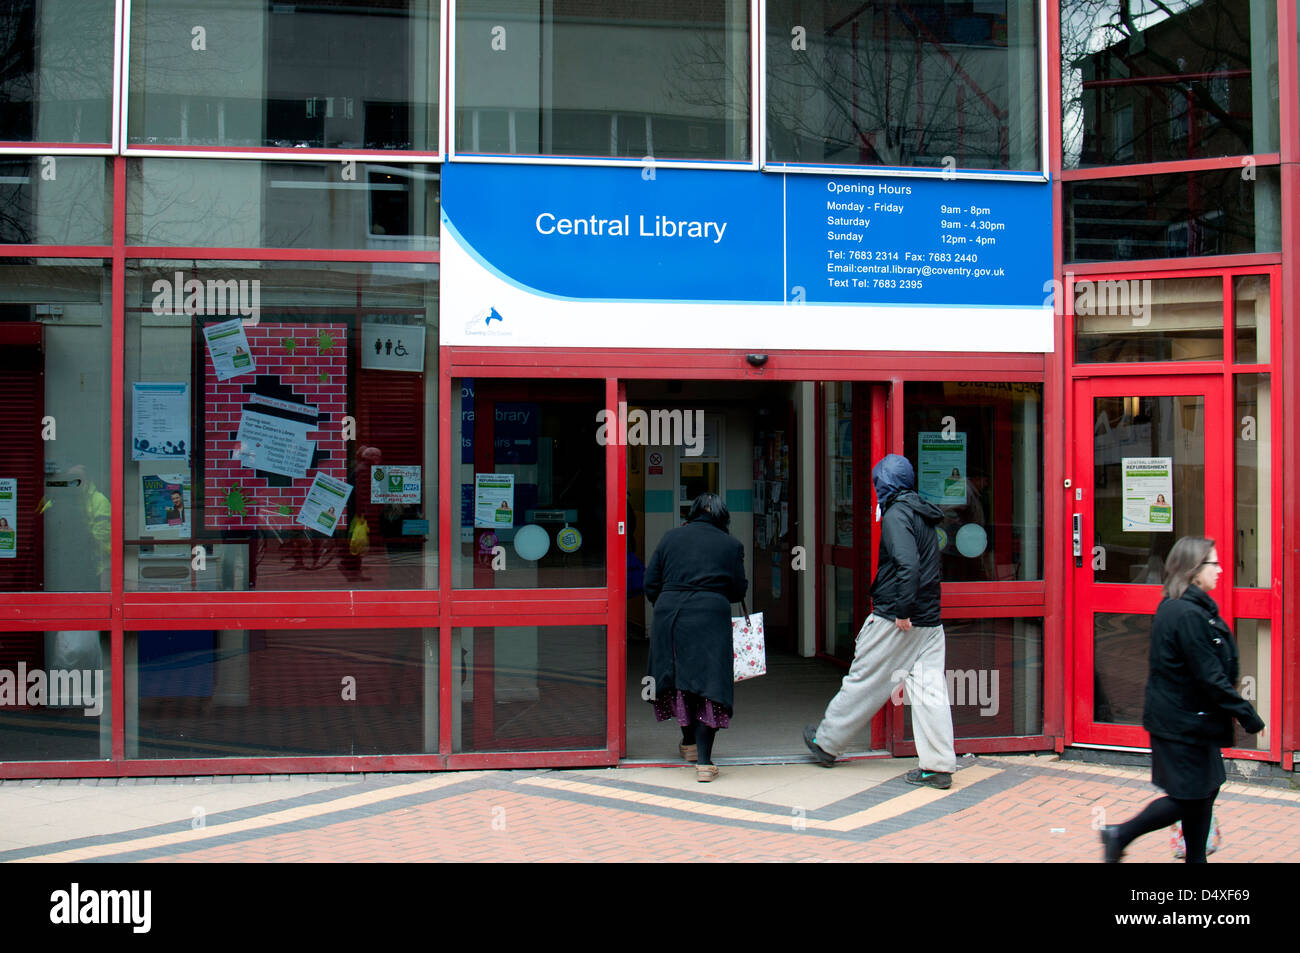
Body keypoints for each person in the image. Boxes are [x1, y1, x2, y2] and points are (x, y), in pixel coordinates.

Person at [1100, 536, 1263, 863]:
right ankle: (1120, 834)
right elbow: (1209, 675)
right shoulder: (1184, 613)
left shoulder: (1194, 607)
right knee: (1188, 797)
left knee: (1206, 791)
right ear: (1192, 570)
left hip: (1194, 721)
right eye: (1213, 563)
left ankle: (1195, 858)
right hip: (1180, 724)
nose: (1220, 570)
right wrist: (1246, 713)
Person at [804, 454, 957, 788]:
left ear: (884, 485)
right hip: (930, 621)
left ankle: (827, 743)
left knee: (864, 678)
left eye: (877, 484)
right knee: (931, 692)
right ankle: (938, 766)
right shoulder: (924, 513)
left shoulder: (896, 514)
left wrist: (902, 610)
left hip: (897, 618)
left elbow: (908, 565)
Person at [644, 492, 747, 782]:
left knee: (679, 681)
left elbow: (651, 582)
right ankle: (704, 761)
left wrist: (667, 603)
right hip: (709, 618)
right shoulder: (731, 545)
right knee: (708, 685)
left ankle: (688, 743)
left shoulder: (670, 538)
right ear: (723, 517)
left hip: (670, 617)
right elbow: (738, 591)